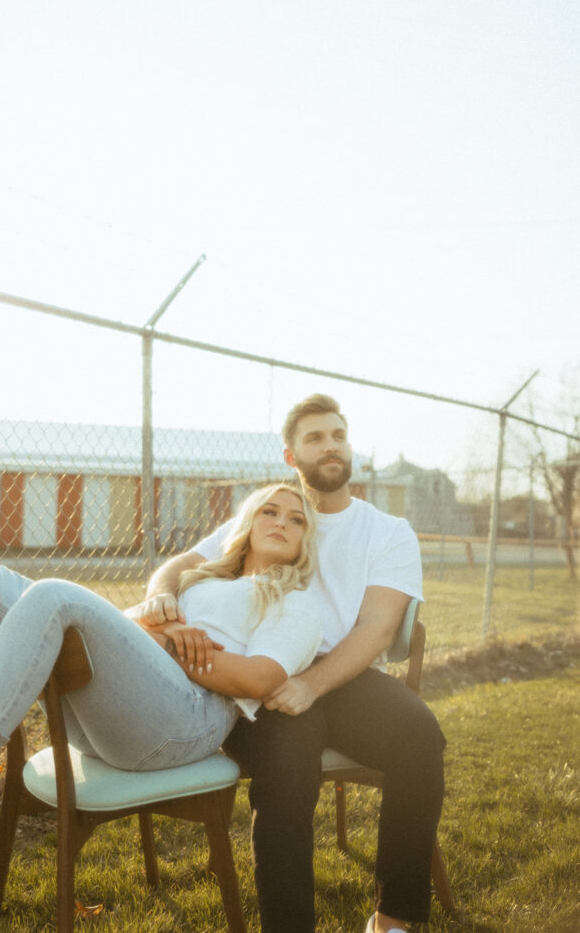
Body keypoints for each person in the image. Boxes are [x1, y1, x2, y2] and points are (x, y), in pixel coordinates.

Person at [143, 394, 446, 933]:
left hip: (339, 672)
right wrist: (162, 595)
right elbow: (184, 564)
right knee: (289, 757)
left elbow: (375, 629)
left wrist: (311, 683)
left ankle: (394, 919)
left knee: (420, 735)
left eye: (337, 434)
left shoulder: (387, 531)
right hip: (261, 670)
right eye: (314, 438)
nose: (330, 445)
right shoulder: (271, 511)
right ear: (291, 456)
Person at [0, 480, 322, 859]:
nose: (281, 521)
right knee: (24, 595)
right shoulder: (203, 580)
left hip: (191, 721)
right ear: (247, 523)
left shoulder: (297, 601)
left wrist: (171, 643)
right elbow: (118, 631)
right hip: (113, 720)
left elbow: (260, 678)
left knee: (51, 596)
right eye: (269, 511)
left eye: (296, 519)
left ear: (306, 542)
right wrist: (162, 627)